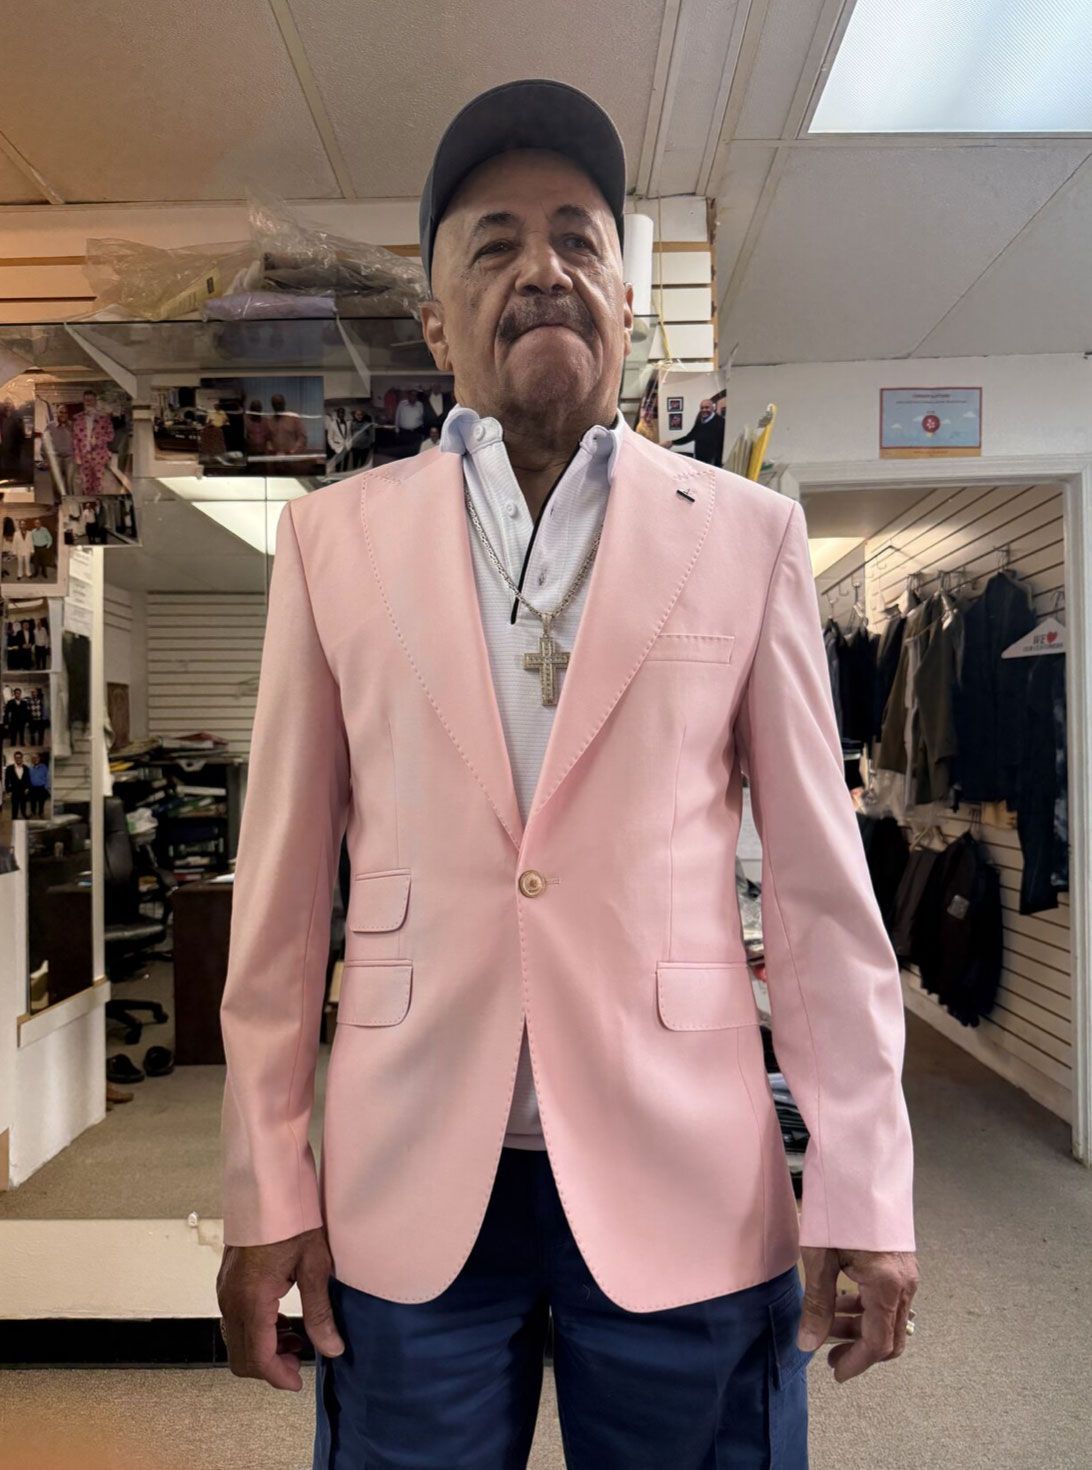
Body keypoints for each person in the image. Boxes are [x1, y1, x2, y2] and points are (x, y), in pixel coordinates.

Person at [217, 78, 917, 1469]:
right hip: (410, 1181)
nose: (542, 267)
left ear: (623, 303)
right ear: (435, 322)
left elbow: (829, 900)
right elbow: (285, 905)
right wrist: (263, 1180)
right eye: (491, 243)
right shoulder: (332, 544)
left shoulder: (748, 537)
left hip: (688, 1174)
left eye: (579, 238)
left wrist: (867, 1176)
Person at [662, 396, 726, 465]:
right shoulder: (700, 420)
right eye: (702, 408)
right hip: (699, 459)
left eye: (707, 407)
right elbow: (690, 436)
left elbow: (722, 445)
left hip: (712, 462)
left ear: (713, 408)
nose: (704, 410)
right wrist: (673, 442)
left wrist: (717, 463)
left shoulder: (721, 422)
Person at [4, 749, 31, 819]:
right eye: (16, 757)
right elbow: (7, 780)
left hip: (23, 791)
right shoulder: (9, 768)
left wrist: (27, 788)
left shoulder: (26, 768)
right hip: (14, 790)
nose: (18, 759)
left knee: (23, 804)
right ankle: (14, 817)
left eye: (19, 757)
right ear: (14, 758)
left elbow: (28, 779)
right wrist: (8, 791)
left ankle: (24, 814)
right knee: (14, 806)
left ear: (22, 758)